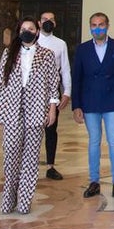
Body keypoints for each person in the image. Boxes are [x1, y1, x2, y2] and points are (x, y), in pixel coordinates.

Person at [0, 17, 59, 215]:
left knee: (30, 158)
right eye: (23, 28)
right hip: (12, 109)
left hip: (36, 110)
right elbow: (0, 81)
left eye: (30, 28)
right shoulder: (8, 53)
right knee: (11, 153)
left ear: (37, 31)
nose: (27, 31)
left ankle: (24, 201)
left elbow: (53, 82)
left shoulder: (47, 54)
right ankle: (8, 198)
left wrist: (52, 108)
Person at [71, 12, 114, 199]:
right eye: (94, 25)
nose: (97, 28)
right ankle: (94, 181)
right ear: (90, 27)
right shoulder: (82, 49)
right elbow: (77, 78)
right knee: (94, 142)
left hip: (112, 101)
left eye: (101, 24)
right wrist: (76, 105)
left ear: (107, 25)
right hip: (89, 102)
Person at [37, 11, 71, 181]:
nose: (48, 22)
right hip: (32, 92)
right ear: (39, 22)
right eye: (45, 19)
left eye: (51, 19)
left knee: (51, 129)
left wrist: (67, 92)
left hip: (52, 92)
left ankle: (50, 166)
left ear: (55, 23)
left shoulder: (60, 44)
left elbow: (65, 69)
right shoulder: (31, 41)